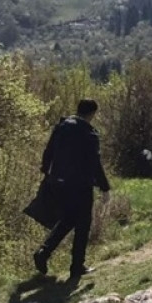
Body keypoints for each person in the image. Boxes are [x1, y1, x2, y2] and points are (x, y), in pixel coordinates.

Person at [33, 98, 110, 279]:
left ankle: (43, 252)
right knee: (83, 224)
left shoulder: (61, 126)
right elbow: (94, 163)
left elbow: (48, 151)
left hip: (58, 182)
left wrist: (46, 172)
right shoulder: (88, 133)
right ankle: (77, 266)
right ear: (92, 114)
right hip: (80, 184)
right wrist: (104, 187)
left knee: (67, 219)